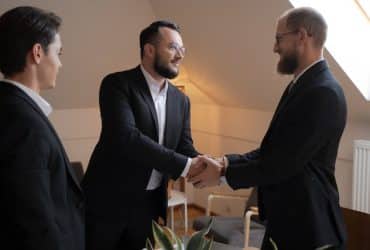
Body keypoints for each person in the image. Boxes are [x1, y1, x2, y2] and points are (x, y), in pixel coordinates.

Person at [189, 7, 347, 250]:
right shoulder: (302, 85)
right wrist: (224, 163)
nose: (275, 48)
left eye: (278, 39)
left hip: (309, 227)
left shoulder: (322, 92)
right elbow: (271, 150)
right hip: (288, 220)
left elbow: (281, 164)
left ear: (302, 36)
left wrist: (222, 174)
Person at [82, 20, 201, 250]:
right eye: (173, 48)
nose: (180, 56)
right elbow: (127, 137)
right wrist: (186, 165)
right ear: (149, 50)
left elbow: (184, 146)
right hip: (107, 203)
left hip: (150, 206)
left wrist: (206, 164)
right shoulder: (117, 84)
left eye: (182, 50)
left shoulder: (182, 100)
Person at [0, 6, 84, 250]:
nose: (60, 63)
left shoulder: (13, 108)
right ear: (37, 53)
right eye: (58, 52)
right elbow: (34, 223)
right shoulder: (22, 123)